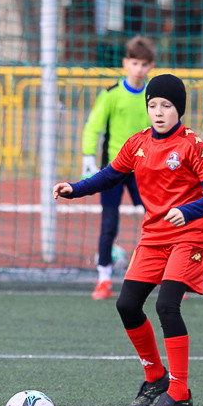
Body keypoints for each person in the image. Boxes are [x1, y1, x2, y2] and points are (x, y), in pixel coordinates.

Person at [54, 74, 203, 406]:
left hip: (189, 235)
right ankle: (155, 376)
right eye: (153, 105)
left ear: (179, 109)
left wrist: (187, 211)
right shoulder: (137, 143)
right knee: (127, 305)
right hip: (153, 236)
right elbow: (109, 176)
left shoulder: (194, 145)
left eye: (167, 106)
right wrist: (75, 188)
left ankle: (180, 392)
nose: (158, 112)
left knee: (167, 305)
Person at [79, 36, 156, 300]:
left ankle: (166, 277)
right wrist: (88, 156)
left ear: (151, 66)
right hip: (113, 169)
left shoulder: (153, 96)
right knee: (109, 224)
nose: (139, 69)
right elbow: (93, 126)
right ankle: (104, 279)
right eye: (135, 63)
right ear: (126, 63)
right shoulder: (111, 94)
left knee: (158, 220)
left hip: (144, 169)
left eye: (144, 64)